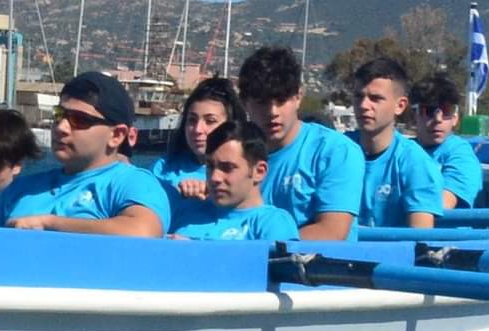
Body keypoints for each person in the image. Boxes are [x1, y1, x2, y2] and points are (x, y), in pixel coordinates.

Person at [2, 73, 168, 236]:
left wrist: (50, 223)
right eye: (59, 115)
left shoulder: (132, 183)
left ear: (116, 135)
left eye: (79, 119)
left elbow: (143, 231)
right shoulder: (22, 188)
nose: (61, 127)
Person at [236, 44, 361, 241]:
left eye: (281, 100)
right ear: (244, 103)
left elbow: (332, 232)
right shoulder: (233, 155)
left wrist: (251, 248)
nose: (273, 112)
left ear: (298, 97)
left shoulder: (336, 151)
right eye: (262, 102)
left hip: (316, 269)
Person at [344, 55, 443, 229]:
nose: (364, 105)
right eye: (359, 97)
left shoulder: (415, 163)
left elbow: (419, 239)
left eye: (375, 98)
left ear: (400, 106)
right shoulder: (337, 152)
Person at [170, 125, 304, 243]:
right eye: (210, 166)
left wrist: (192, 254)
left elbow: (279, 269)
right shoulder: (187, 212)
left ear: (259, 172)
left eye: (227, 168)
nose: (215, 177)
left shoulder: (272, 223)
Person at [142, 77, 240, 229]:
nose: (198, 130)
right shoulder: (162, 168)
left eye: (210, 121)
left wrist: (213, 190)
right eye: (192, 121)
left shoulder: (244, 171)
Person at [410, 71, 489, 221]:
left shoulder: (461, 155)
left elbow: (439, 207)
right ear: (414, 115)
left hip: (445, 241)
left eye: (446, 111)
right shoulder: (402, 151)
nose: (438, 119)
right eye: (428, 111)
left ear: (455, 118)